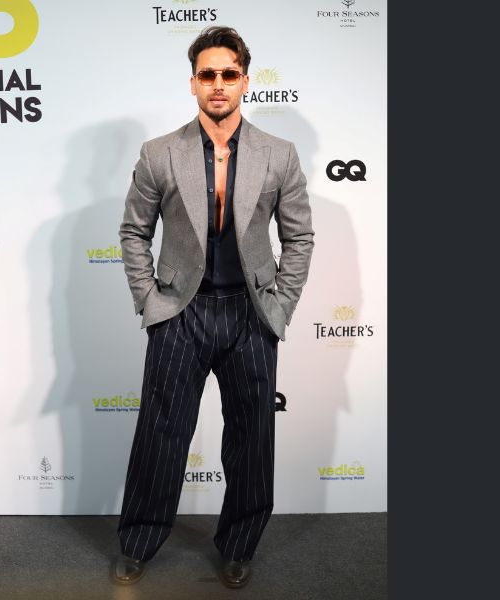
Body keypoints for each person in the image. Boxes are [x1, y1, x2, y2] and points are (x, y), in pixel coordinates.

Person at [114, 25, 314, 589]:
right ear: (193, 83)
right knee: (161, 435)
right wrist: (150, 301)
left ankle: (239, 545)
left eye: (229, 74)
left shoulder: (279, 154)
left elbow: (299, 238)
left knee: (251, 439)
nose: (219, 84)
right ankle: (138, 541)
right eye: (208, 75)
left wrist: (280, 305)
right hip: (180, 313)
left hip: (251, 314)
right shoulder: (160, 153)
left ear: (246, 81)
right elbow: (133, 232)